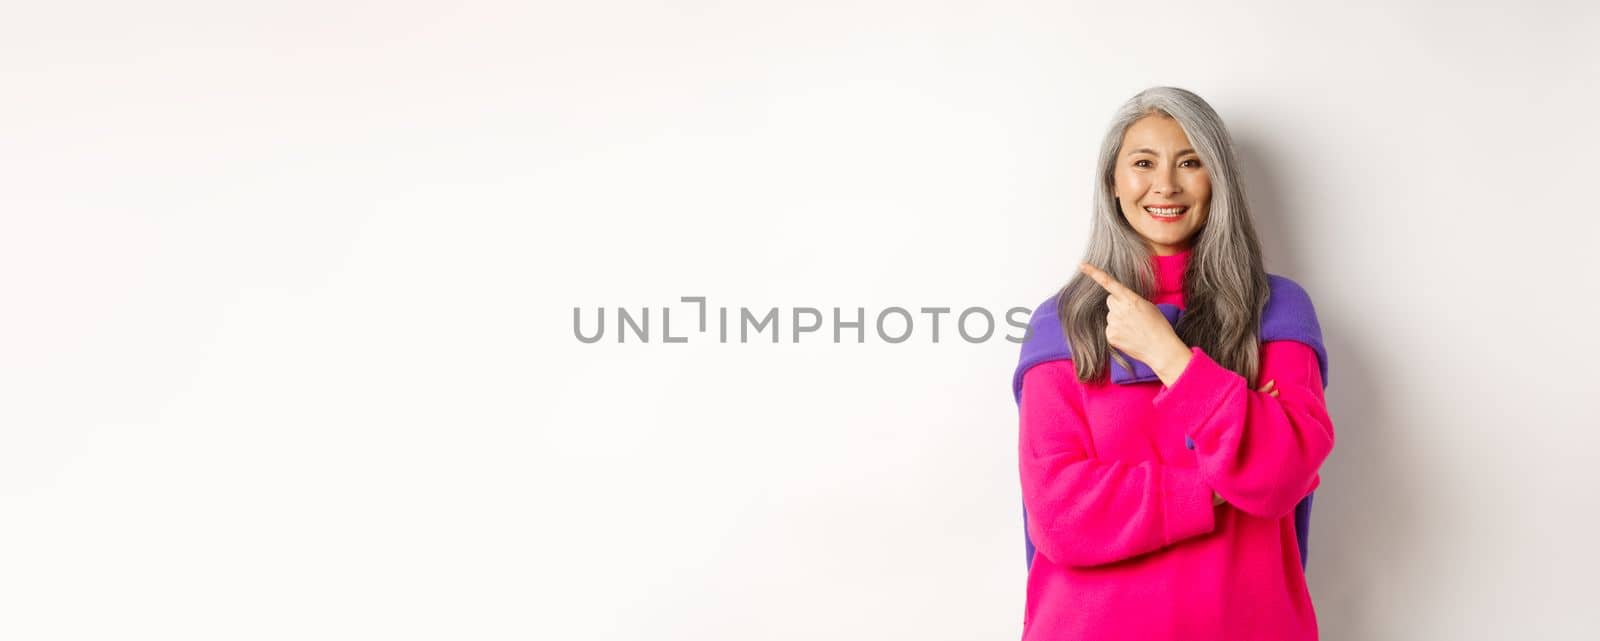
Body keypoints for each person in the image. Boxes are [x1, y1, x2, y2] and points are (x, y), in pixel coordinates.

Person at [1012, 86, 1335, 640]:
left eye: (1191, 161)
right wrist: (1219, 482)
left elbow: (1282, 475)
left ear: (1220, 180)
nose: (1165, 184)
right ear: (1113, 183)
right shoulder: (1060, 323)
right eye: (1143, 163)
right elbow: (1059, 513)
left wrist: (1168, 354)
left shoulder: (1276, 311)